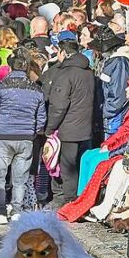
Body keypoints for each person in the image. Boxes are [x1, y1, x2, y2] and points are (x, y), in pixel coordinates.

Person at [0, 47, 46, 224]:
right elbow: (41, 117)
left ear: (10, 67)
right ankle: (17, 210)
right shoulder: (36, 89)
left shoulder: (1, 86)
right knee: (20, 179)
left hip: (2, 136)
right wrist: (33, 133)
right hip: (25, 137)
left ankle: (0, 212)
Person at [44, 39, 96, 202]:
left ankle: (69, 201)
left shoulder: (65, 73)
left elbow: (59, 105)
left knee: (67, 168)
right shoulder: (88, 71)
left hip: (68, 128)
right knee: (79, 165)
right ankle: (78, 198)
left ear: (63, 53)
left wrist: (50, 128)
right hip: (85, 126)